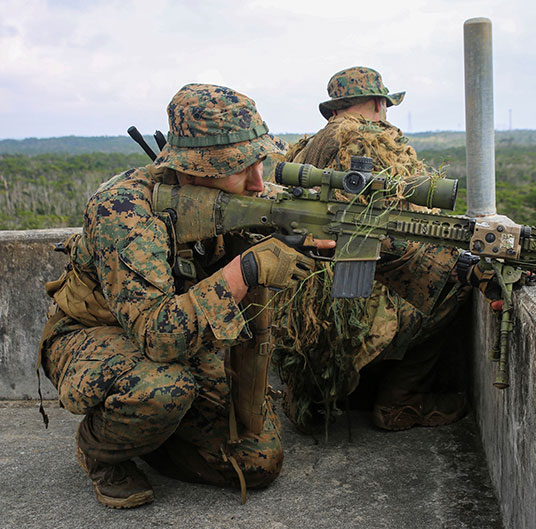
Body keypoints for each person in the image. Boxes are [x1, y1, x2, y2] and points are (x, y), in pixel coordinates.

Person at [38, 84, 321, 509]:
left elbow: (288, 210)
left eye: (260, 162)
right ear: (193, 169)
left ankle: (151, 434)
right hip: (96, 332)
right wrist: (246, 269)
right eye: (240, 167)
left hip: (178, 331)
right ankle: (100, 451)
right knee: (162, 389)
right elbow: (158, 337)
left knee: (259, 462)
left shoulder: (235, 194)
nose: (258, 182)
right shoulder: (124, 211)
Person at [275, 66, 476, 434]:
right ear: (379, 103)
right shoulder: (372, 142)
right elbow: (409, 229)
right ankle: (401, 400)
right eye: (384, 104)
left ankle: (325, 391)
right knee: (454, 281)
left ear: (333, 109)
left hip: (301, 322)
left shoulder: (305, 148)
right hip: (347, 320)